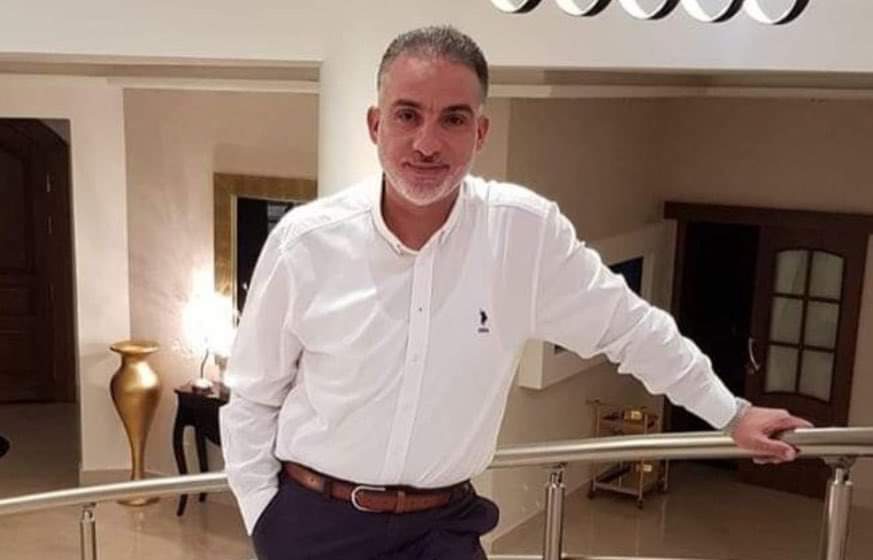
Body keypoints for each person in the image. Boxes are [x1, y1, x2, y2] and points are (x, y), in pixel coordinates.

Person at [220, 25, 812, 560]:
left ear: (480, 132)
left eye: (453, 119)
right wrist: (266, 520)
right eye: (407, 115)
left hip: (442, 529)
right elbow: (251, 395)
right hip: (316, 526)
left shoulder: (523, 234)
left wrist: (731, 413)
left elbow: (629, 328)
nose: (427, 143)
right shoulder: (306, 243)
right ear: (376, 125)